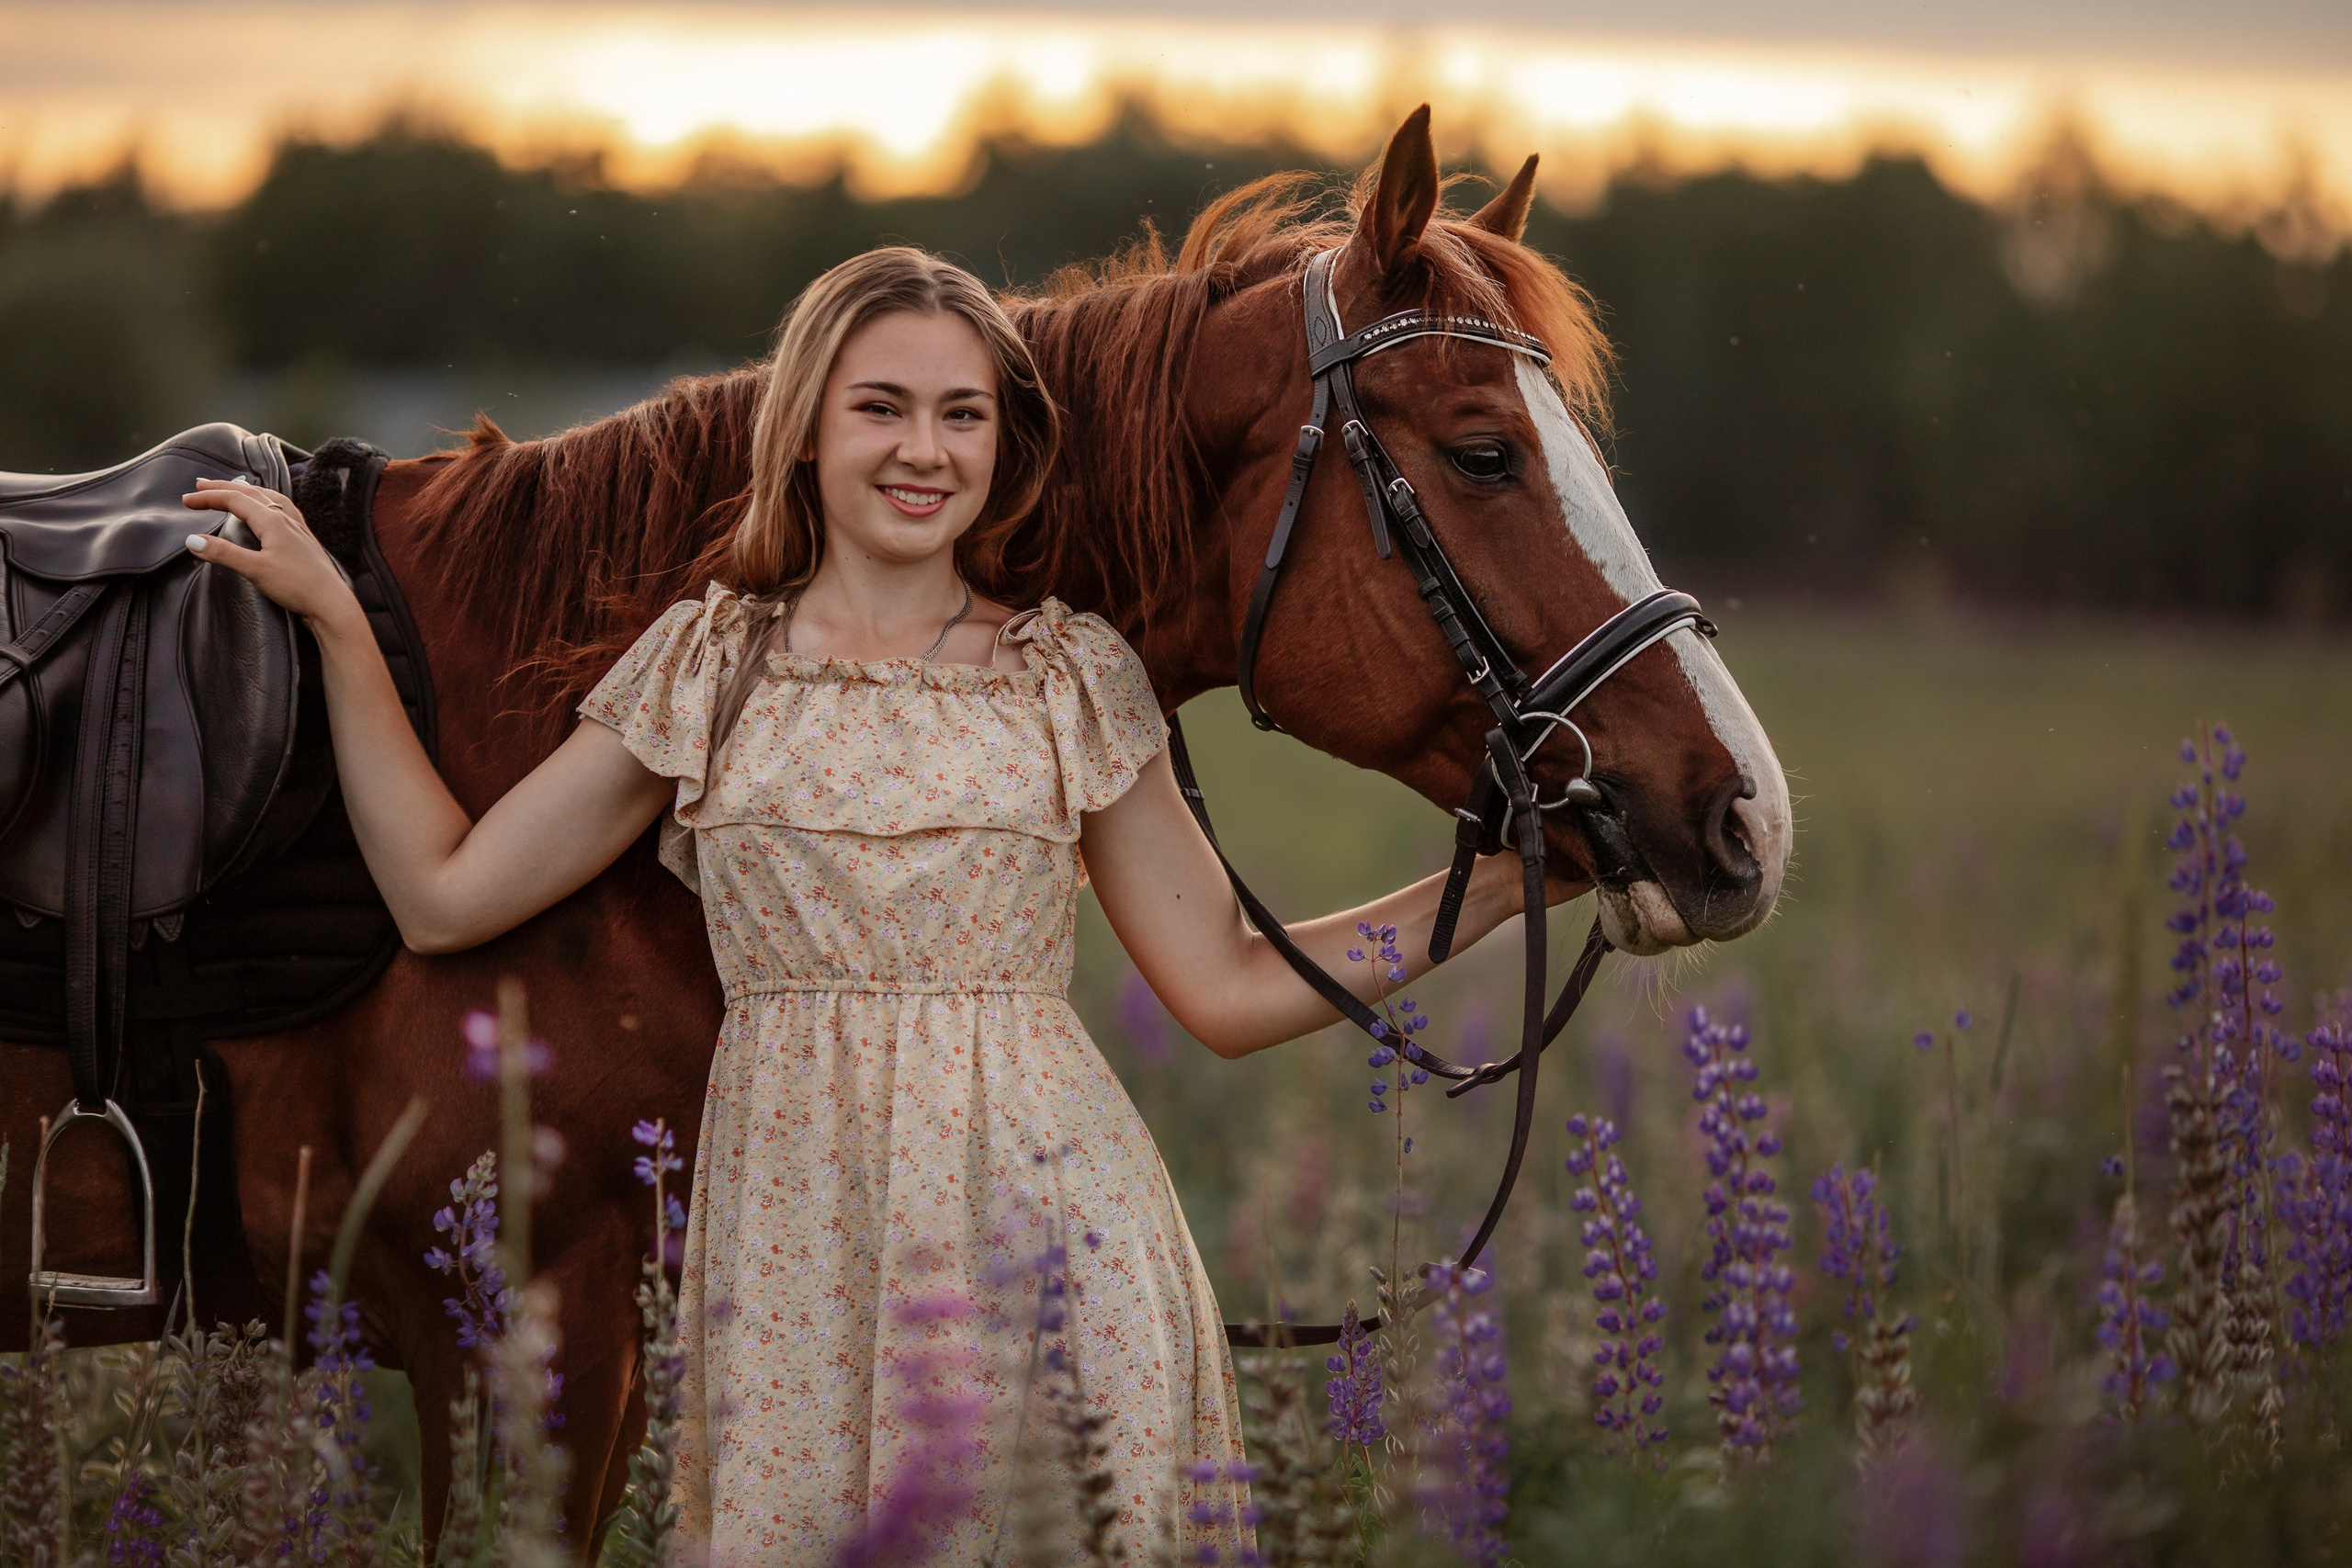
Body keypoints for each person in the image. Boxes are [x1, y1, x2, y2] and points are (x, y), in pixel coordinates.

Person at [183, 246, 1534, 1560]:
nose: (922, 451)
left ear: (1006, 442)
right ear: (805, 430)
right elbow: (441, 897)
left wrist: (1496, 890)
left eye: (963, 414)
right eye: (879, 407)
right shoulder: (708, 668)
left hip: (1055, 1244)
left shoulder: (1072, 676)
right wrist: (336, 623)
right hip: (795, 1273)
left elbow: (1231, 987)